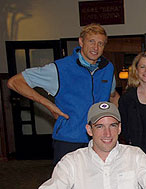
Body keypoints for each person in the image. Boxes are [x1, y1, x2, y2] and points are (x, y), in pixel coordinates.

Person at [7, 23, 119, 164]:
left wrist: (116, 126)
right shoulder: (60, 68)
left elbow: (113, 96)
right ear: (81, 41)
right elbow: (15, 82)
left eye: (100, 43)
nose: (95, 48)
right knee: (67, 185)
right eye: (91, 41)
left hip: (100, 141)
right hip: (69, 141)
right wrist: (49, 105)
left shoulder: (107, 68)